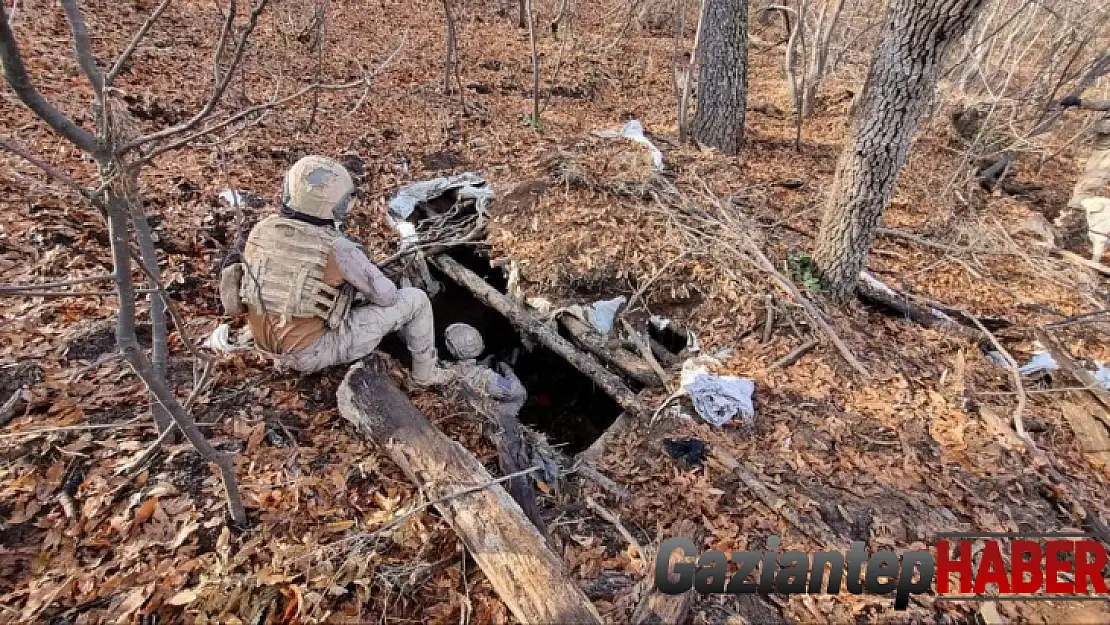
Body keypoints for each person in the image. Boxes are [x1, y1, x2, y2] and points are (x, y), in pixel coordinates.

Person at [219, 155, 455, 386]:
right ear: (336, 205)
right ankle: (426, 375)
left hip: (264, 343)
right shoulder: (337, 248)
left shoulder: (262, 229)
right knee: (417, 299)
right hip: (310, 354)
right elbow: (387, 296)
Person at [1058, 95, 1110, 261]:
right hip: (1103, 144)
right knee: (1087, 182)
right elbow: (1104, 103)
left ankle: (1069, 221)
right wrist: (1080, 102)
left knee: (1089, 184)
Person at [442, 323, 527, 420]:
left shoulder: (443, 367)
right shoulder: (485, 379)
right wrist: (507, 369)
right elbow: (519, 392)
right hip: (483, 418)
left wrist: (484, 363)